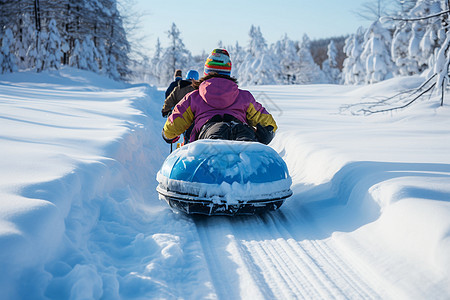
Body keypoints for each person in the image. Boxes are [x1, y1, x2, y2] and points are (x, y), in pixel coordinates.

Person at [162, 48, 277, 145]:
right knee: (245, 139)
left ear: (206, 71)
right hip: (241, 131)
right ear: (228, 72)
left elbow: (173, 124)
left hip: (208, 135)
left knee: (211, 141)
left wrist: (168, 135)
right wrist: (266, 133)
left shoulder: (194, 97)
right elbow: (269, 124)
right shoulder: (244, 97)